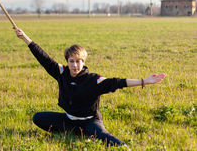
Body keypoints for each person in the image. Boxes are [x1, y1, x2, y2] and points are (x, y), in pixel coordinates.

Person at [14, 28, 166, 147]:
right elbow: (43, 58)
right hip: (69, 120)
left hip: (90, 121)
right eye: (71, 61)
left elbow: (118, 82)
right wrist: (25, 38)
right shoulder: (61, 72)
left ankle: (123, 147)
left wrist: (144, 81)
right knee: (38, 118)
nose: (75, 65)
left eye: (78, 61)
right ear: (67, 61)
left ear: (84, 61)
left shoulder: (94, 80)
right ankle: (75, 132)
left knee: (102, 136)